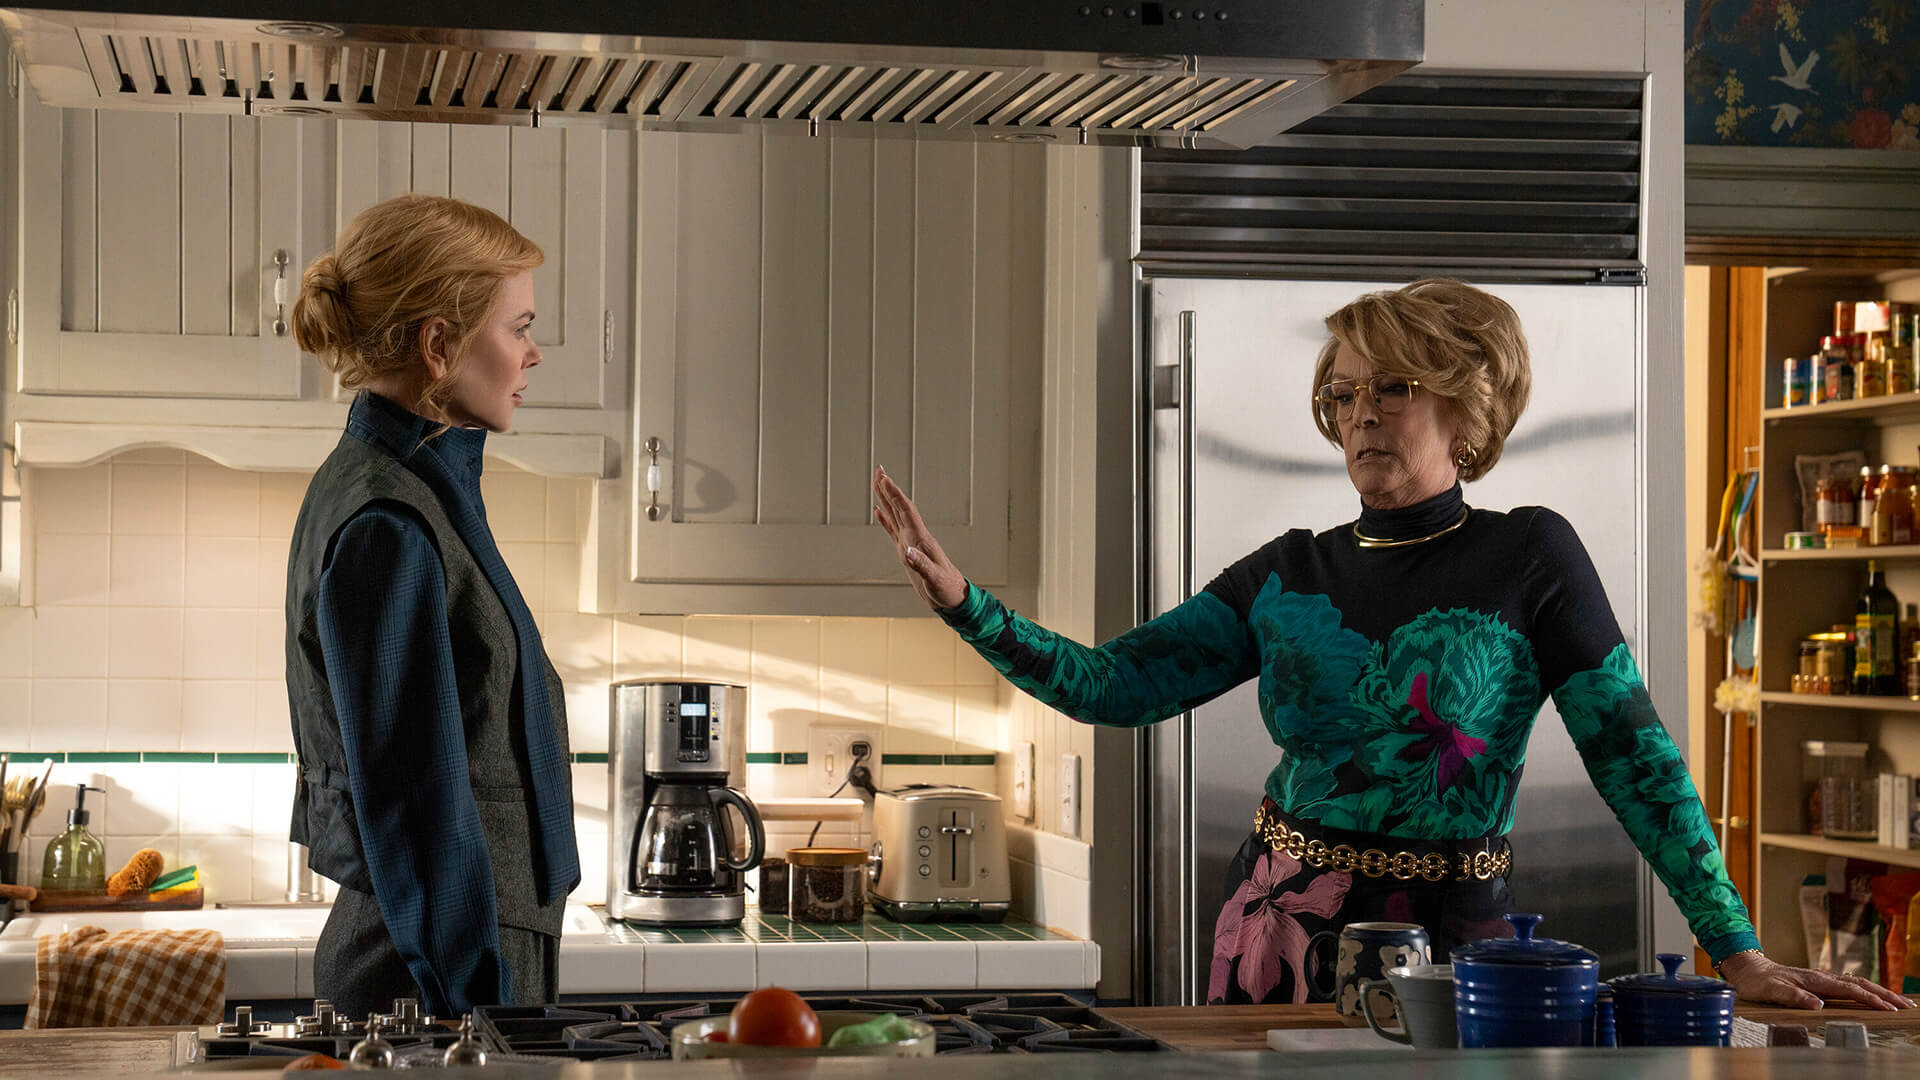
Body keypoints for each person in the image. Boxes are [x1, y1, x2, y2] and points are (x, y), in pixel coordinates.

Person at [874, 278, 1911, 1011]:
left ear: (1464, 407)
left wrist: (1735, 949)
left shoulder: (1533, 556)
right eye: (1343, 395)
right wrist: (970, 604)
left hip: (1459, 950)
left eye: (1392, 389)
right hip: (1274, 932)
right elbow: (1117, 684)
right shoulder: (1288, 571)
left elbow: (1637, 760)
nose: (1360, 415)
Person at [283, 194, 580, 1019]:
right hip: (436, 979)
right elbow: (418, 813)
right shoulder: (390, 521)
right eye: (517, 327)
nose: (534, 354)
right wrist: (482, 1014)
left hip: (454, 955)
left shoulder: (422, 490)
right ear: (439, 344)